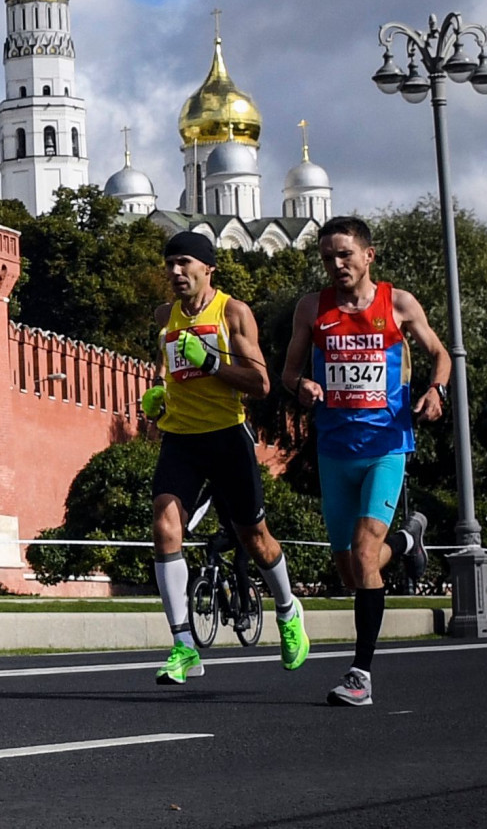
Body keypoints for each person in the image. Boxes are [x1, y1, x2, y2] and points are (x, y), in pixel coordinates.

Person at [280, 216, 443, 706]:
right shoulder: (312, 308)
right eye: (327, 257)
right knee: (350, 571)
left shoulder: (398, 303)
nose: (336, 264)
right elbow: (288, 373)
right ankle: (408, 540)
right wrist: (302, 386)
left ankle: (360, 675)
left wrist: (435, 390)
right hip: (334, 451)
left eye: (345, 254)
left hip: (385, 447)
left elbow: (440, 353)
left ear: (368, 255)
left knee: (365, 553)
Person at [139, 232, 309, 685]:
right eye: (169, 264)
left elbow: (261, 383)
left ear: (208, 267)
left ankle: (288, 610)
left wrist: (212, 363)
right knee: (164, 526)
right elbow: (165, 366)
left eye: (184, 262)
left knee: (255, 538)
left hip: (227, 438)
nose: (175, 272)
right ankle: (184, 646)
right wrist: (156, 394)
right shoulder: (165, 316)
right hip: (181, 439)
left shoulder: (232, 313)